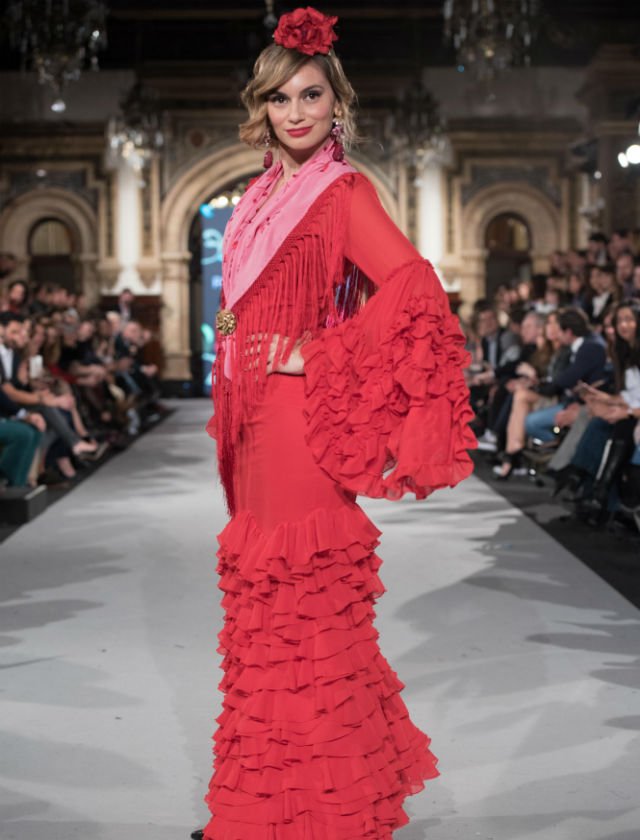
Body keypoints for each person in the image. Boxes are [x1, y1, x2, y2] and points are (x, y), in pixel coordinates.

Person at [192, 9, 475, 840]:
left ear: (336, 101)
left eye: (311, 93)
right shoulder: (258, 195)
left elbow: (417, 294)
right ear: (263, 109)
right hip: (248, 425)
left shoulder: (342, 192)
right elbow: (241, 313)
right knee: (266, 615)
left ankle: (305, 817)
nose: (297, 112)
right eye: (280, 98)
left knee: (300, 612)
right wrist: (240, 351)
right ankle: (275, 802)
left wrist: (313, 356)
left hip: (293, 425)